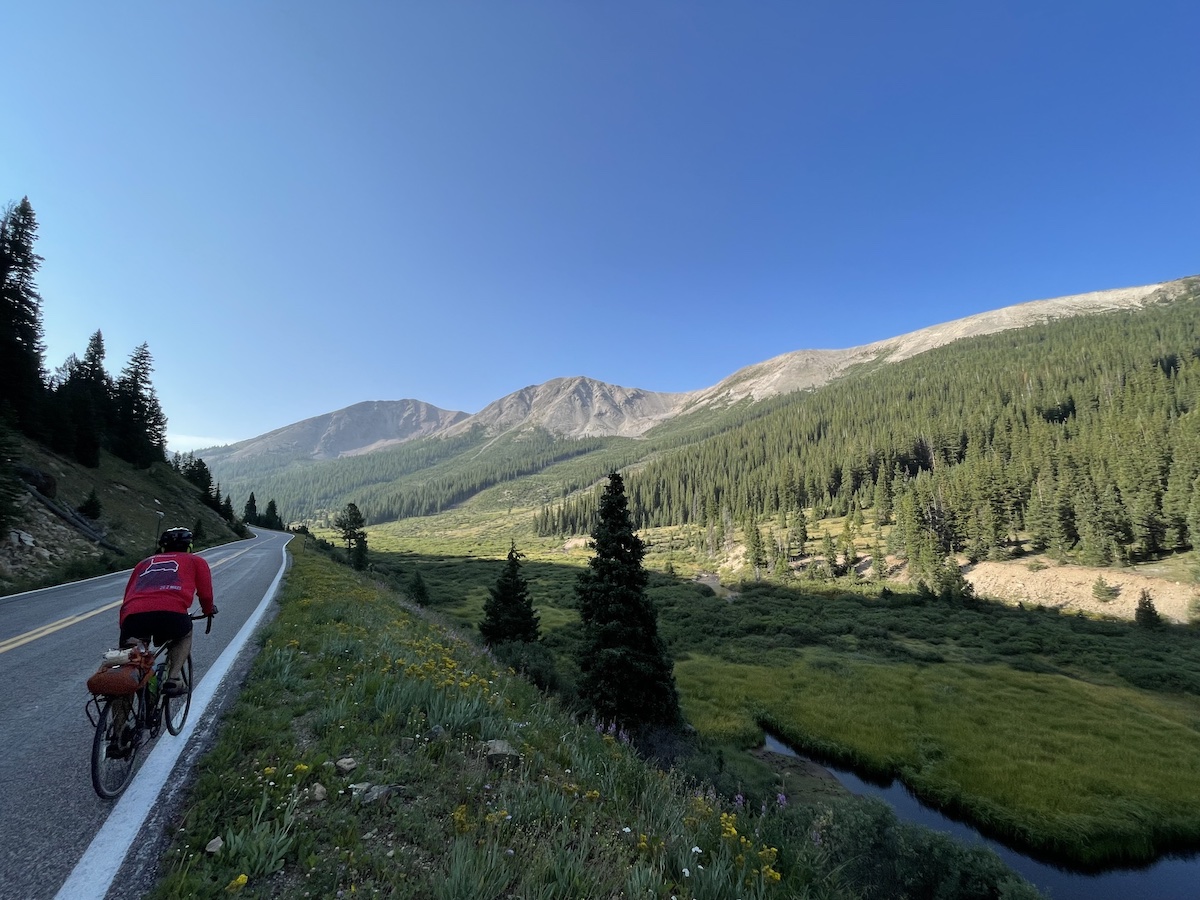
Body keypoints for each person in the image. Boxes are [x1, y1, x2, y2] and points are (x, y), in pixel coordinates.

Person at [119, 526, 217, 695]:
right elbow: (206, 596)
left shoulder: (143, 563)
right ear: (189, 548)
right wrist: (208, 610)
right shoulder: (196, 561)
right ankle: (173, 679)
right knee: (184, 635)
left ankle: (118, 722)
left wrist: (125, 627)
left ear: (162, 548)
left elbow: (128, 596)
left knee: (127, 670)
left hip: (133, 617)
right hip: (172, 615)